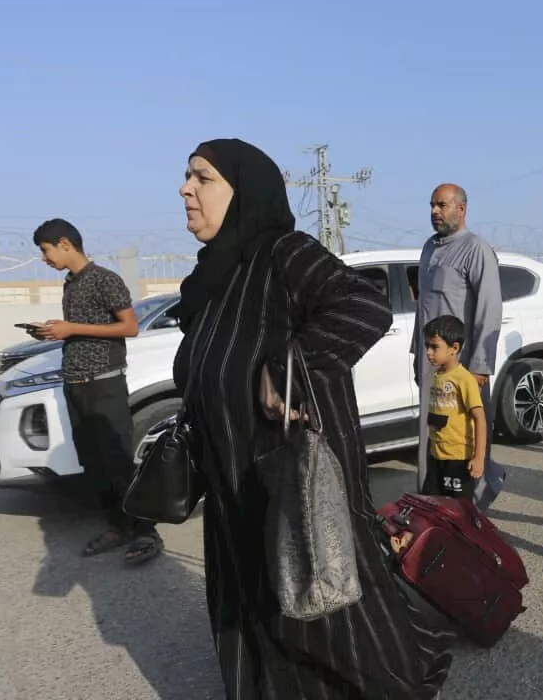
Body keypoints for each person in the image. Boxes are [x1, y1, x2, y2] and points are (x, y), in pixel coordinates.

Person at [170, 139, 451, 699]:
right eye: (186, 177)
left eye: (202, 178)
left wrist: (285, 364)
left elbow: (362, 306)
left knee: (321, 597)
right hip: (234, 481)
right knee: (256, 594)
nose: (186, 189)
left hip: (288, 476)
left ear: (243, 192)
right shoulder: (215, 275)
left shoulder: (282, 253)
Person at [27, 218, 159, 565]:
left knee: (117, 462)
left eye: (45, 250)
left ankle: (146, 532)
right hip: (76, 384)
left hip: (104, 384)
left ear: (65, 244)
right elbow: (84, 331)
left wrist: (71, 328)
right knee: (94, 464)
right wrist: (56, 333)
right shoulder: (71, 283)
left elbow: (128, 327)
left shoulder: (105, 279)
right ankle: (116, 527)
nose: (45, 258)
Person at [413, 183, 505, 510]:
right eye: (432, 205)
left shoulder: (475, 249)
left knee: (466, 438)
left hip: (462, 366)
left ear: (461, 209)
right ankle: (435, 505)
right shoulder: (428, 248)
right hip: (431, 364)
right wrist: (417, 357)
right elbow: (423, 307)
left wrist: (480, 364)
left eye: (441, 205)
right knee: (432, 436)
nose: (434, 212)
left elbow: (489, 309)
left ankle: (476, 506)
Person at [420, 315, 487, 500]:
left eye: (434, 347)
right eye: (427, 346)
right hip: (436, 457)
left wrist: (479, 458)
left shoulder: (464, 379)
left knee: (459, 511)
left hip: (458, 459)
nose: (428, 352)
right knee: (432, 505)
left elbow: (480, 419)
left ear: (454, 348)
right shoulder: (436, 375)